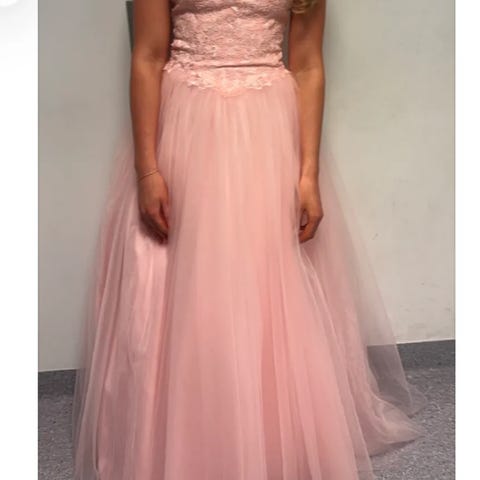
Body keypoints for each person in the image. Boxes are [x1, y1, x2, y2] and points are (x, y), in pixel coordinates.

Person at [73, 1, 426, 479]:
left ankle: (270, 436)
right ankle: (184, 434)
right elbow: (148, 56)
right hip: (186, 126)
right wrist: (147, 169)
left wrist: (308, 173)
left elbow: (308, 64)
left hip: (267, 132)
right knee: (186, 285)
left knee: (264, 283)